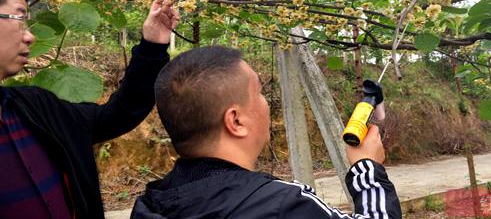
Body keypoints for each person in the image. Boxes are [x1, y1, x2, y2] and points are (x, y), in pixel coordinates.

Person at [131, 46, 402, 218]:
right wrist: (368, 169)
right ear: (235, 121)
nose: (265, 102)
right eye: (259, 92)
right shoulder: (282, 206)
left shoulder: (150, 203)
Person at [0, 0, 180, 218]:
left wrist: (153, 45)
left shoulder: (34, 107)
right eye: (20, 18)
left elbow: (115, 116)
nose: (30, 36)